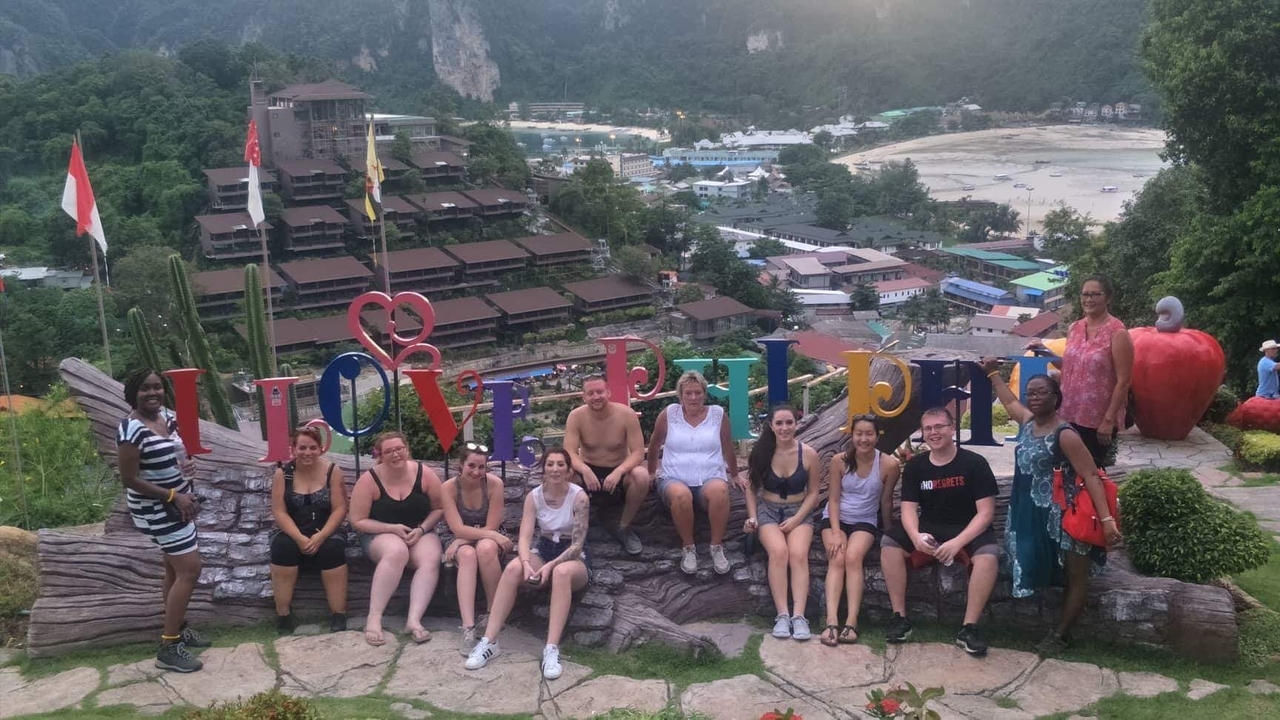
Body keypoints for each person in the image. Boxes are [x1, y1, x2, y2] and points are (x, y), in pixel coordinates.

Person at [980, 360, 1122, 654]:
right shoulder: (1029, 424)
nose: (1033, 397)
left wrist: (1107, 520)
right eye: (1030, 393)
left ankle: (1061, 634)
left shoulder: (1065, 434)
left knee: (1075, 574)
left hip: (1067, 516)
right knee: (1054, 570)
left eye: (1041, 392)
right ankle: (1060, 628)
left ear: (1056, 398)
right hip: (1035, 514)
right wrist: (993, 373)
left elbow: (1092, 474)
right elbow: (1008, 401)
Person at [879, 407, 1000, 657]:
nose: (934, 432)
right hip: (930, 525)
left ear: (952, 428)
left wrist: (958, 543)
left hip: (968, 527)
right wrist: (915, 536)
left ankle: (969, 628)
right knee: (889, 543)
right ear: (923, 433)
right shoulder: (915, 467)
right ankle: (899, 618)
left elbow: (986, 512)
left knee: (988, 556)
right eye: (928, 428)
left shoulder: (974, 463)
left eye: (939, 427)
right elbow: (909, 509)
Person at [465, 448, 590, 680]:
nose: (555, 469)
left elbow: (577, 546)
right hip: (543, 549)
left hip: (571, 556)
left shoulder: (579, 497)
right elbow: (524, 537)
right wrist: (525, 562)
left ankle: (551, 649)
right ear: (543, 469)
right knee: (513, 568)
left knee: (561, 573)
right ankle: (489, 642)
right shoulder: (534, 496)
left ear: (569, 470)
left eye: (560, 464)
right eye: (550, 464)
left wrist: (550, 566)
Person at [116, 368, 209, 673]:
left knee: (173, 566)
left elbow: (172, 455)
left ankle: (179, 629)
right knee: (190, 569)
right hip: (157, 510)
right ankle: (168, 647)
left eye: (157, 387)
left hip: (177, 503)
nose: (153, 393)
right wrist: (173, 495)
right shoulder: (131, 429)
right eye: (145, 388)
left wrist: (185, 469)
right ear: (133, 392)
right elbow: (129, 479)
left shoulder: (165, 418)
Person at [349, 432, 445, 646]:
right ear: (380, 455)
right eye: (389, 451)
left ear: (407, 449)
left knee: (431, 557)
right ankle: (374, 618)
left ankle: (414, 620)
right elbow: (357, 520)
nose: (395, 454)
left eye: (399, 448)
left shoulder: (424, 473)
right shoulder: (369, 480)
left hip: (419, 531)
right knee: (396, 552)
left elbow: (439, 508)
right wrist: (391, 528)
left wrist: (421, 529)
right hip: (379, 533)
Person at [817, 414, 900, 647]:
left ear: (877, 435)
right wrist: (834, 532)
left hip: (865, 520)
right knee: (837, 557)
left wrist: (889, 529)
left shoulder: (889, 464)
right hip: (836, 518)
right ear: (852, 435)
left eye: (869, 434)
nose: (864, 439)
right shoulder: (839, 461)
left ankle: (851, 623)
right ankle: (831, 622)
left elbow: (886, 502)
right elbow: (833, 499)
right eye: (859, 433)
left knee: (853, 558)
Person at [743, 405, 823, 641]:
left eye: (789, 422)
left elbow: (814, 493)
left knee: (798, 554)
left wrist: (797, 519)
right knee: (779, 552)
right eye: (779, 423)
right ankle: (782, 614)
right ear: (771, 425)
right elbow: (751, 487)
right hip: (768, 510)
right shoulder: (761, 452)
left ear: (796, 424)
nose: (785, 428)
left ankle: (799, 616)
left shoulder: (808, 454)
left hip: (799, 511)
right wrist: (753, 516)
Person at [647, 371, 739, 575]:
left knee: (719, 491)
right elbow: (654, 445)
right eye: (688, 393)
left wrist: (734, 475)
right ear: (680, 395)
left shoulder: (717, 414)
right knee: (681, 495)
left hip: (709, 477)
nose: (693, 397)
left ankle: (716, 546)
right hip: (673, 477)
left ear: (704, 394)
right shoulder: (669, 414)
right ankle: (689, 548)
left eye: (698, 392)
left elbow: (727, 447)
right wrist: (651, 472)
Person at [1041, 276, 1134, 467]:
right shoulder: (1075, 328)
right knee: (1066, 471)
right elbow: (1071, 367)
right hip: (1068, 414)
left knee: (1091, 473)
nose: (1089, 299)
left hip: (1097, 420)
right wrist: (1043, 352)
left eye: (1095, 294)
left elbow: (1124, 381)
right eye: (1085, 294)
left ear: (1108, 298)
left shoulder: (1117, 333)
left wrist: (1108, 420)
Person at [269, 426, 349, 635]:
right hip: (293, 529)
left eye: (313, 448)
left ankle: (338, 614)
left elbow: (340, 508)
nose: (308, 453)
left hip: (326, 529)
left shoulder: (332, 471)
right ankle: (283, 614)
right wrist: (299, 538)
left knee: (333, 550)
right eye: (302, 448)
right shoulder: (282, 474)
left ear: (320, 449)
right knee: (282, 549)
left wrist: (321, 536)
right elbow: (279, 512)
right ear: (293, 449)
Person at [563, 374, 653, 555]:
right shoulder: (576, 416)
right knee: (565, 474)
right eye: (590, 393)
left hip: (618, 470)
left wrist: (619, 471)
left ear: (608, 392)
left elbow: (637, 452)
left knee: (641, 476)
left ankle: (624, 527)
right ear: (584, 396)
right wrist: (585, 469)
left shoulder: (626, 414)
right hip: (589, 469)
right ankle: (576, 529)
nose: (596, 397)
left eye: (600, 391)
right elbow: (569, 452)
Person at [441, 442, 513, 656]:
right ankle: (468, 626)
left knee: (486, 548)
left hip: (487, 535)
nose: (476, 472)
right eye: (471, 466)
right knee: (467, 554)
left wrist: (468, 537)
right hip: (455, 537)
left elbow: (492, 526)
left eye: (481, 467)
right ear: (461, 465)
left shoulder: (494, 484)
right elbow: (456, 527)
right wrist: (462, 540)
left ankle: (494, 614)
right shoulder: (448, 488)